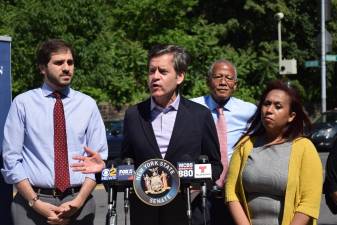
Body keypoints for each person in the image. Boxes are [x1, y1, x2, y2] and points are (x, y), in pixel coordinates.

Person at [1, 39, 108, 225]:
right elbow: (11, 159)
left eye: (70, 62)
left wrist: (78, 201)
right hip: (31, 205)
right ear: (42, 68)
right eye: (59, 62)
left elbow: (97, 160)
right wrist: (36, 203)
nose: (66, 68)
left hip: (79, 204)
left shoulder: (88, 105)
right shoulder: (23, 104)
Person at [225, 80, 323, 225]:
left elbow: (309, 202)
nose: (269, 110)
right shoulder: (245, 145)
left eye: (278, 106)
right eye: (266, 104)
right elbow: (231, 192)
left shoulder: (304, 148)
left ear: (291, 116)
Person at [192, 59, 256, 225]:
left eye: (228, 78)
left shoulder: (249, 111)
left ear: (236, 84)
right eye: (218, 77)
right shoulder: (191, 108)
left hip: (236, 191)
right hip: (200, 190)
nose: (223, 82)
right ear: (208, 81)